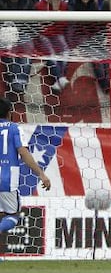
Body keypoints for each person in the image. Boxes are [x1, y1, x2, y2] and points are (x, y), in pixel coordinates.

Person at [0, 97, 51, 236]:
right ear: (9, 113)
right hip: (7, 180)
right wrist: (41, 174)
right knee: (12, 216)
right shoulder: (14, 128)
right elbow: (23, 152)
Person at [0, 0, 34, 94]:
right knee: (8, 43)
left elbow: (33, 25)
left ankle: (21, 81)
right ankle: (11, 77)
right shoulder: (1, 0)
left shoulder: (28, 2)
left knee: (28, 45)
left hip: (23, 32)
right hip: (3, 33)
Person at [35, 0, 70, 93]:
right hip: (43, 35)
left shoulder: (64, 6)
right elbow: (41, 28)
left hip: (57, 34)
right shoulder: (40, 6)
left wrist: (56, 15)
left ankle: (58, 82)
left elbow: (63, 25)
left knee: (66, 51)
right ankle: (60, 78)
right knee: (51, 53)